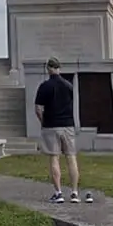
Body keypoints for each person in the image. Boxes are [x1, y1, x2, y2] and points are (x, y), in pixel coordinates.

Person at [34, 57, 91, 205]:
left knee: (54, 158)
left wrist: (44, 122)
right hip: (68, 125)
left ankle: (58, 193)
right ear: (59, 68)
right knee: (71, 158)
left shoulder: (44, 86)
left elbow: (38, 109)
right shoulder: (68, 85)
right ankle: (74, 192)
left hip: (51, 126)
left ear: (48, 68)